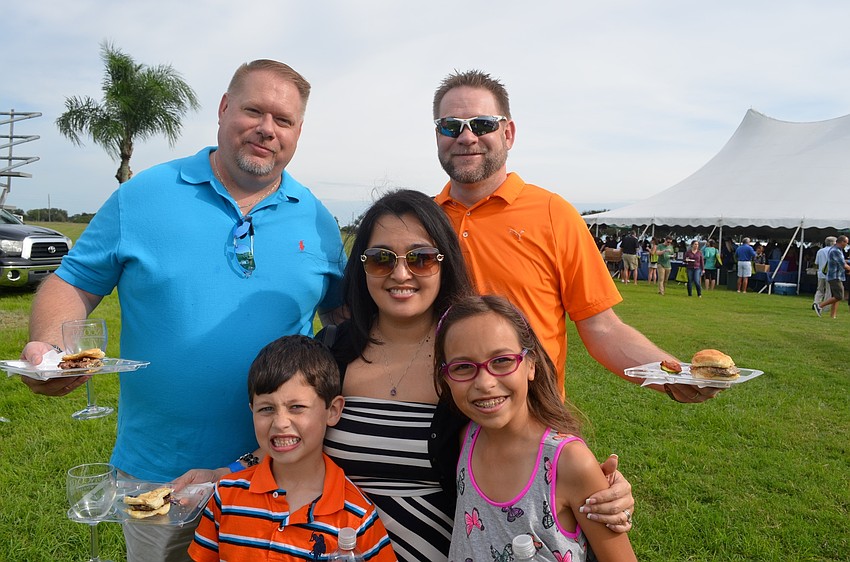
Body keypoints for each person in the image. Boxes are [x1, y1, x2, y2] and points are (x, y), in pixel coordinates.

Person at [21, 60, 346, 561]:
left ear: (298, 132)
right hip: (158, 472)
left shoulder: (317, 220)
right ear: (223, 108)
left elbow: (343, 320)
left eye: (283, 120)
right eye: (254, 111)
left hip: (276, 470)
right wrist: (52, 349)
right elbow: (73, 282)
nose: (267, 129)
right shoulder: (143, 195)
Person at [318, 189, 634, 562]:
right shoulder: (330, 353)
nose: (401, 273)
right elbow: (286, 436)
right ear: (362, 266)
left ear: (446, 262)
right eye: (381, 259)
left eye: (421, 258)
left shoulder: (472, 357)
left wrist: (599, 486)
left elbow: (535, 449)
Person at [431, 69, 716, 404]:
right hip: (435, 416)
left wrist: (672, 377)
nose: (466, 137)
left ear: (508, 133)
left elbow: (602, 328)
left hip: (531, 420)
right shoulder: (422, 221)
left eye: (482, 124)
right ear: (437, 135)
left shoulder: (553, 213)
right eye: (450, 126)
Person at [435, 295, 637, 562]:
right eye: (463, 367)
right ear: (446, 376)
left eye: (502, 361)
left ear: (530, 364)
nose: (484, 383)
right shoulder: (465, 438)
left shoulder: (569, 462)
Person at [188, 335, 395, 562]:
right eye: (266, 409)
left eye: (297, 407)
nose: (280, 423)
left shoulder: (357, 514)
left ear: (333, 410)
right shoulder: (226, 494)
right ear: (252, 410)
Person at [813, 235, 850, 317]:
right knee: (839, 296)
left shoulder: (836, 250)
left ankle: (833, 315)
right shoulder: (835, 251)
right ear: (842, 242)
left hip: (834, 275)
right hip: (835, 276)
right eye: (846, 243)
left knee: (834, 295)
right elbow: (843, 264)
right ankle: (820, 306)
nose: (846, 245)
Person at [813, 236, 837, 318]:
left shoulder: (820, 251)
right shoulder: (834, 251)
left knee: (819, 289)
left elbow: (816, 262)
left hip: (820, 273)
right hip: (830, 274)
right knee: (828, 291)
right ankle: (825, 307)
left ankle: (816, 302)